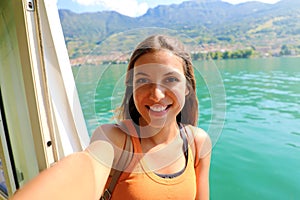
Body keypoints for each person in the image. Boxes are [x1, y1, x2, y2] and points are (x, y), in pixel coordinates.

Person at [11, 34, 211, 200]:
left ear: (187, 87)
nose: (156, 94)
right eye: (143, 80)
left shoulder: (197, 143)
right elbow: (87, 168)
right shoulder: (114, 140)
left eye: (170, 79)